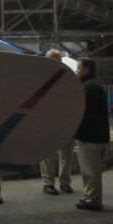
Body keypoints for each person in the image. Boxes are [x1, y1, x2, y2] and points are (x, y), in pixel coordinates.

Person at [73, 58, 110, 212]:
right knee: (92, 169)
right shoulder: (94, 85)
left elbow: (85, 113)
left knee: (90, 169)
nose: (77, 70)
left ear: (87, 69)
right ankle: (91, 195)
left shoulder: (89, 87)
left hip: (90, 137)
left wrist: (75, 129)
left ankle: (93, 199)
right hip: (97, 135)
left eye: (79, 67)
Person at [39, 49, 75, 195]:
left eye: (56, 60)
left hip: (65, 119)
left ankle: (64, 182)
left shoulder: (67, 76)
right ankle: (48, 183)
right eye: (51, 60)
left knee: (66, 153)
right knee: (47, 154)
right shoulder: (41, 77)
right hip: (47, 120)